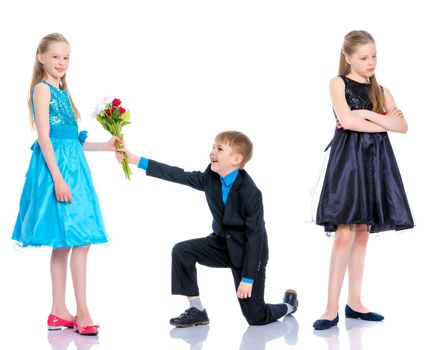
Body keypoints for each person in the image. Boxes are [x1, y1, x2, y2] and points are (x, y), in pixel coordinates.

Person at [117, 131, 298, 327]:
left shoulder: (250, 192)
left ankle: (289, 306)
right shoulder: (209, 178)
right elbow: (177, 174)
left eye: (219, 149)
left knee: (256, 317)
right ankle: (197, 310)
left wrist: (248, 278)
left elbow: (255, 238)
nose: (212, 151)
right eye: (213, 147)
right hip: (220, 244)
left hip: (248, 254)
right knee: (182, 251)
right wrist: (135, 159)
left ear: (236, 159)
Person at [12, 33, 119, 335]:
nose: (61, 62)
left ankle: (59, 312)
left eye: (66, 57)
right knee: (73, 241)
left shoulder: (64, 92)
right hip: (57, 171)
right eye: (56, 56)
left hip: (75, 170)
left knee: (72, 242)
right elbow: (44, 137)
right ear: (41, 57)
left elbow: (71, 141)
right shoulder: (42, 90)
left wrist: (106, 146)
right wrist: (58, 179)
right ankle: (79, 311)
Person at [314, 30, 414, 330]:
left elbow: (402, 126)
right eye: (363, 57)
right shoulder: (338, 83)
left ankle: (354, 302)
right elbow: (346, 121)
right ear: (347, 58)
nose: (371, 62)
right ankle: (330, 307)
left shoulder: (381, 90)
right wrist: (377, 120)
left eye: (374, 56)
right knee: (345, 231)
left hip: (376, 163)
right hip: (349, 163)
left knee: (363, 234)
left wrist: (366, 116)